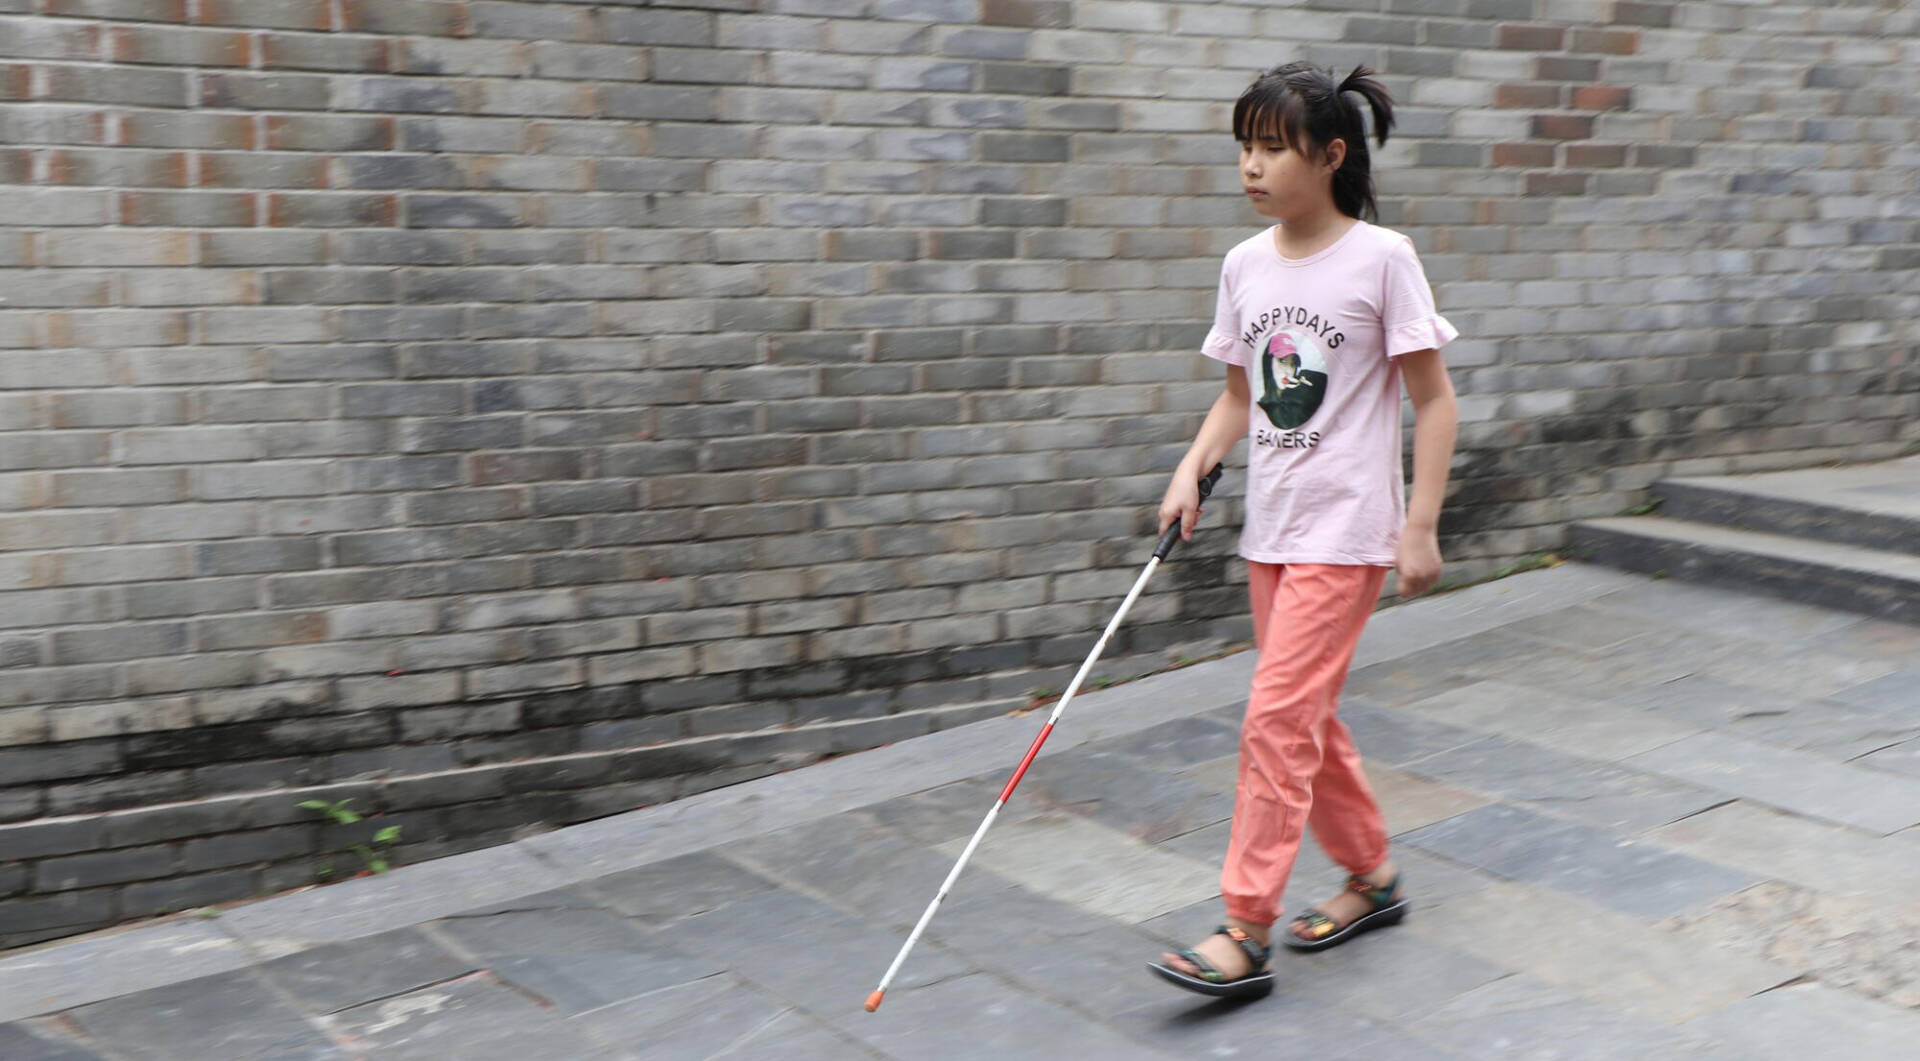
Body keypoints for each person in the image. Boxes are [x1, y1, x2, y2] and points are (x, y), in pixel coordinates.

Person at [1145, 62, 1460, 1000]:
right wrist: (1190, 469)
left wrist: (1421, 525)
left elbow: (1435, 402)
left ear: (1328, 157)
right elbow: (1241, 395)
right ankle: (1373, 875)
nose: (1251, 167)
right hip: (1271, 533)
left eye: (1271, 149)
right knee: (1306, 720)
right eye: (1244, 146)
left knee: (1275, 722)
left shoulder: (1382, 258)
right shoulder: (1244, 266)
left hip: (1348, 533)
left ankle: (1245, 924)